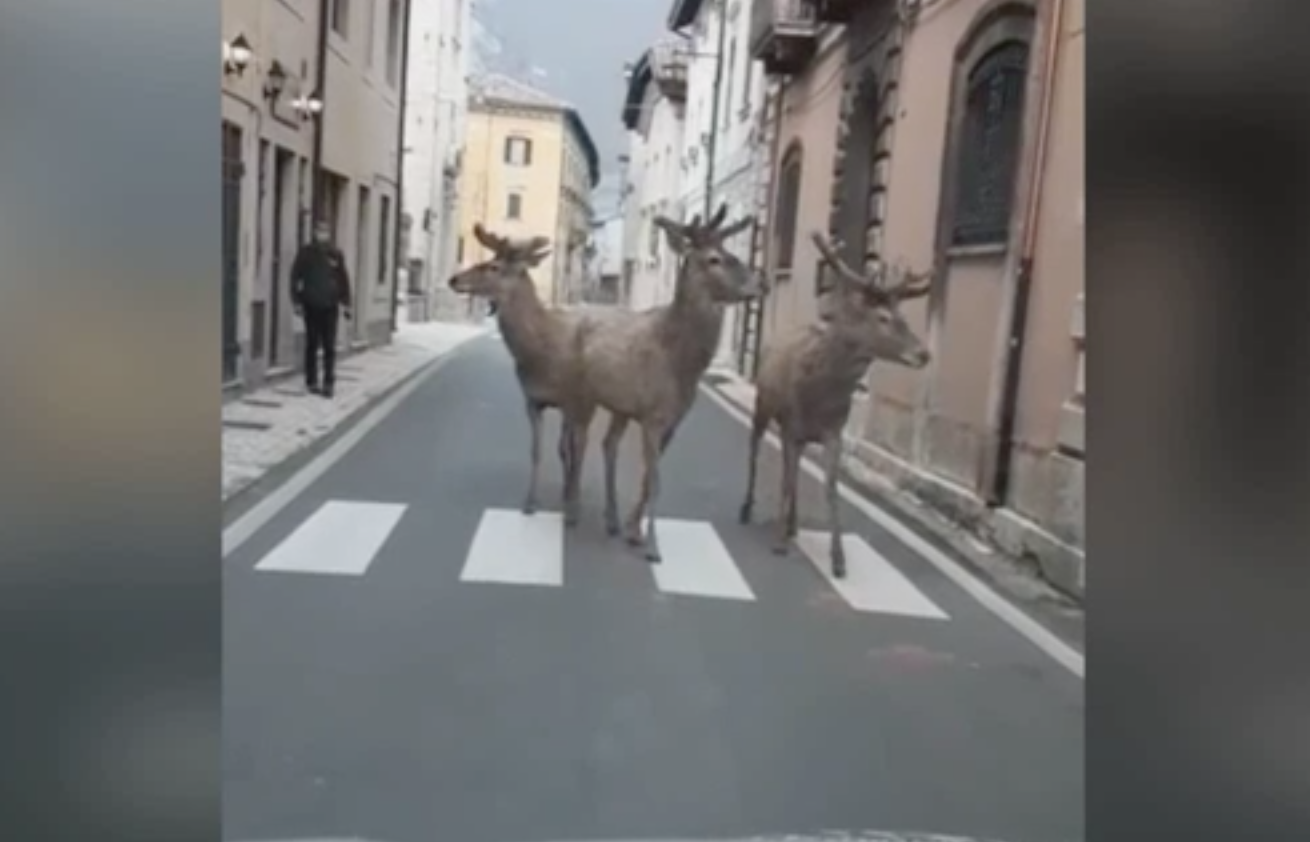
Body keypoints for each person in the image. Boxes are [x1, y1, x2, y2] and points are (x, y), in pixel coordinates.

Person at [291, 220, 352, 398]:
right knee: (312, 343)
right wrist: (296, 301)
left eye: (325, 230)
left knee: (329, 345)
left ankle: (328, 382)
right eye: (320, 230)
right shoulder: (306, 253)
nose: (322, 233)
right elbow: (295, 277)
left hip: (330, 305)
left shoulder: (335, 254)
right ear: (314, 232)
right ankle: (311, 380)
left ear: (329, 233)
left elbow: (343, 280)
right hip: (310, 304)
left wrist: (346, 303)